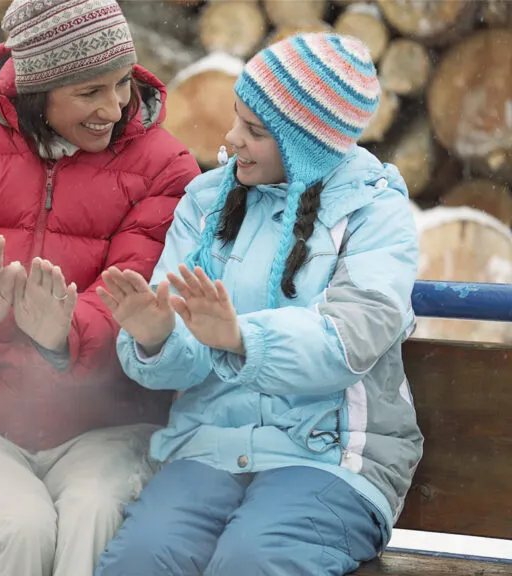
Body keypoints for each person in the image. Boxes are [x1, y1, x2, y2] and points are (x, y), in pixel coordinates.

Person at [0, 1, 201, 575]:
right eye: (89, 92)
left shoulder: (163, 167)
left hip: (109, 424)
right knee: (15, 527)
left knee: (94, 521)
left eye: (122, 84)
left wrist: (65, 334)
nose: (115, 108)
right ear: (37, 88)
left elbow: (145, 281)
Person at [93, 32, 423, 576]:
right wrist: (156, 336)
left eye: (255, 131)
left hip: (331, 457)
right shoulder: (206, 204)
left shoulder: (373, 213)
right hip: (210, 446)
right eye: (236, 120)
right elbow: (181, 356)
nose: (231, 139)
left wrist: (241, 337)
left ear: (306, 144)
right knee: (142, 557)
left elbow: (350, 340)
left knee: (253, 560)